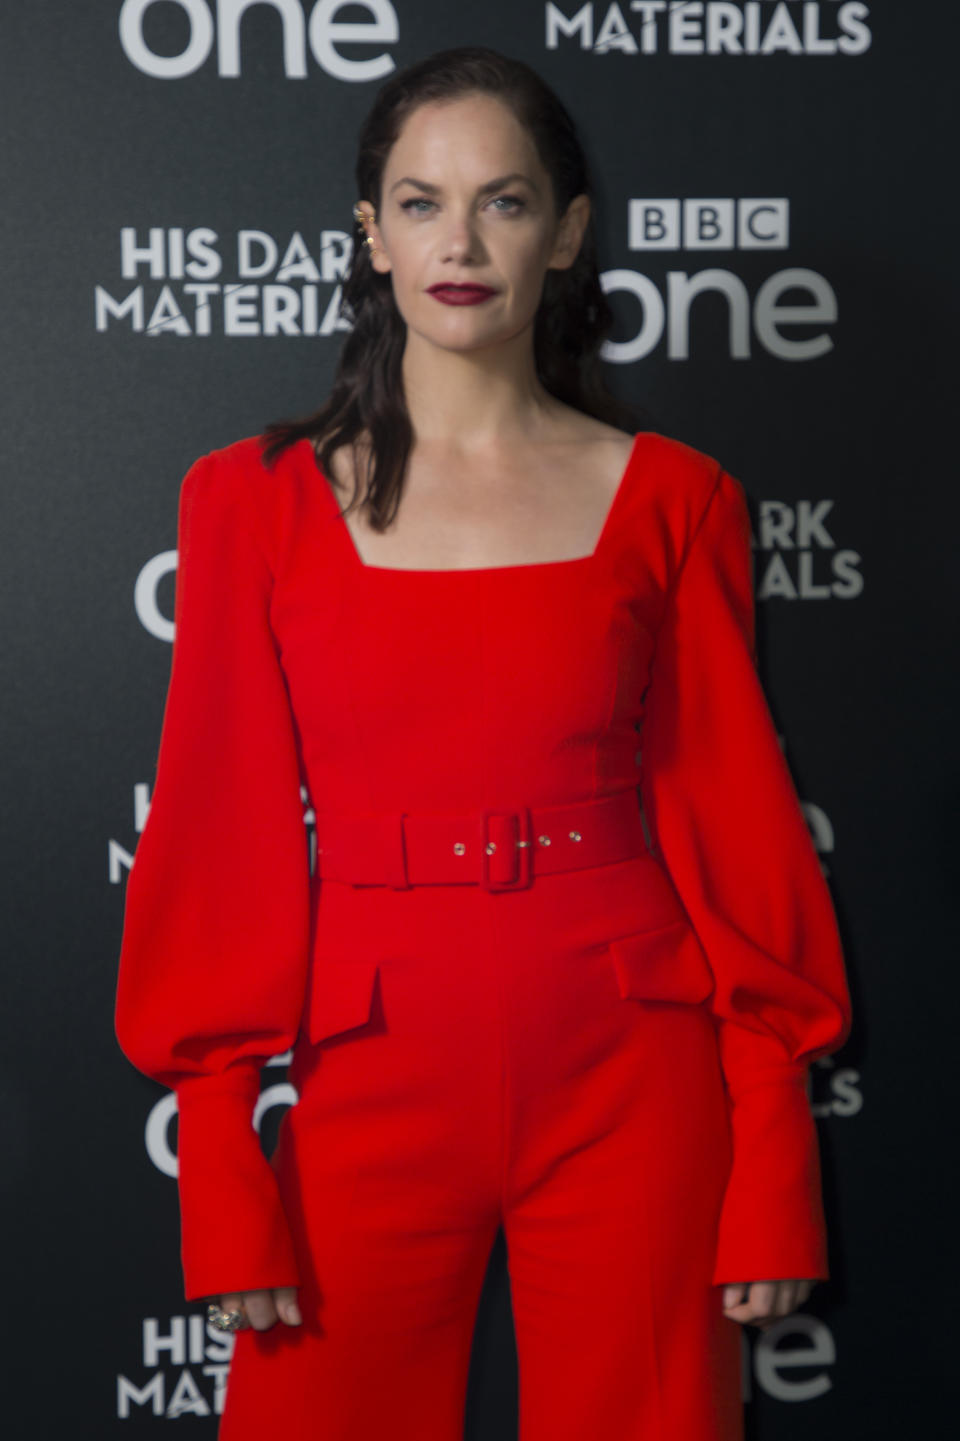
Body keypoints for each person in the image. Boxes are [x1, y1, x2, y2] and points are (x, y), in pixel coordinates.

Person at [115, 44, 852, 1441]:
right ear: (371, 233)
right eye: (421, 201)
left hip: (633, 1069)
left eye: (505, 202)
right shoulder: (250, 501)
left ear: (567, 233)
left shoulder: (675, 498)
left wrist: (772, 1147)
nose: (460, 242)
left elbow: (733, 821)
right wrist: (218, 1148)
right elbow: (215, 831)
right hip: (366, 1073)